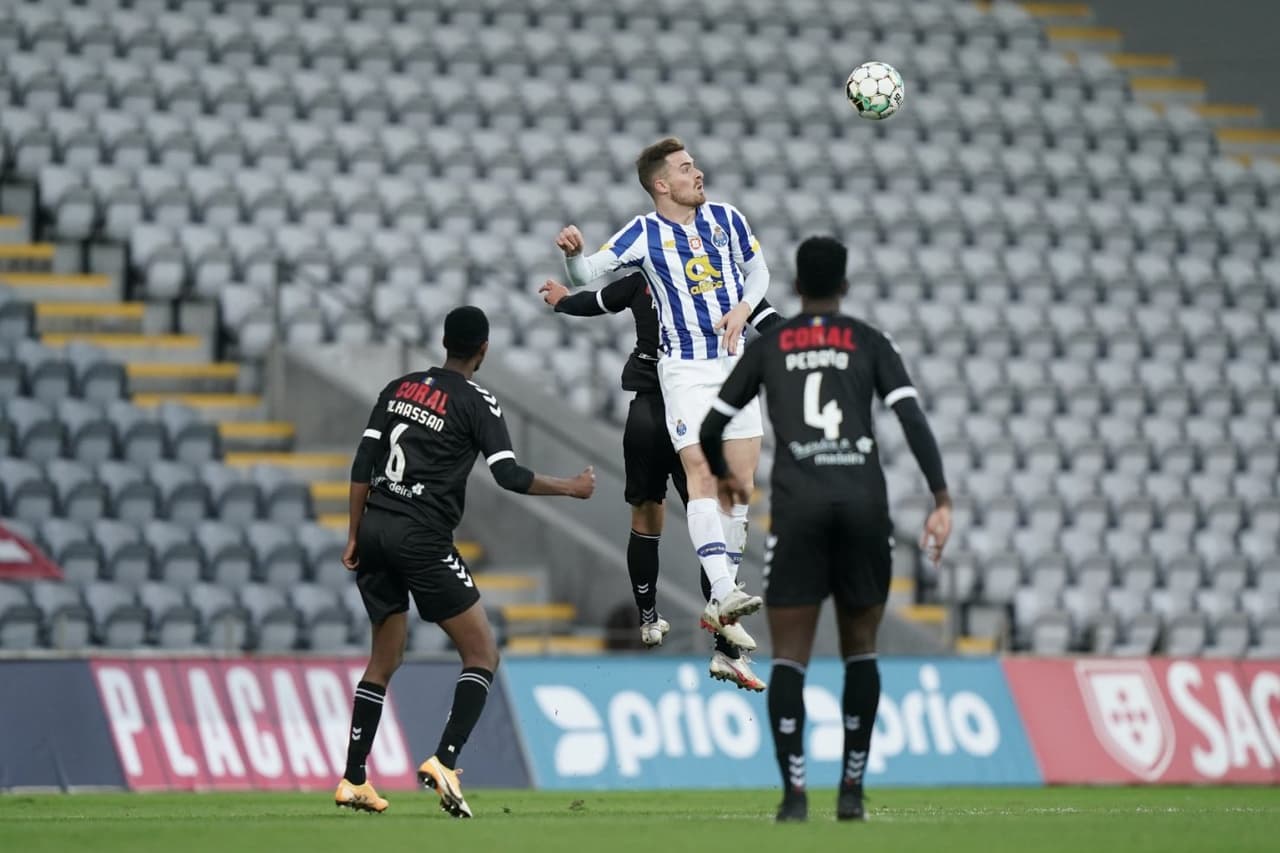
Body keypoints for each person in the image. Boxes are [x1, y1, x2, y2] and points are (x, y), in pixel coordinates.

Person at [699, 237, 952, 823]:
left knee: (791, 656)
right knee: (861, 649)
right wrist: (941, 496)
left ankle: (793, 796)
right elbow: (910, 416)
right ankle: (852, 793)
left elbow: (713, 425)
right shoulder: (868, 340)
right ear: (844, 283)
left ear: (795, 284)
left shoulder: (773, 346)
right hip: (864, 503)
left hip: (800, 507)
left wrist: (727, 481)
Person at [333, 306, 596, 818]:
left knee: (383, 659)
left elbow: (363, 462)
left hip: (375, 528)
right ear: (484, 350)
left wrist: (353, 534)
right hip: (421, 536)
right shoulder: (478, 402)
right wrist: (571, 487)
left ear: (444, 341)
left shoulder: (399, 387)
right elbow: (509, 476)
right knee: (482, 653)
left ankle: (353, 778)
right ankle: (445, 761)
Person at [556, 136, 770, 653]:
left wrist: (743, 308)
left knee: (737, 491)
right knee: (699, 476)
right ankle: (723, 594)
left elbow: (758, 271)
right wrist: (576, 256)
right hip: (684, 371)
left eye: (694, 165)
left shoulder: (728, 218)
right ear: (661, 184)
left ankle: (725, 631)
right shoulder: (642, 234)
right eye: (686, 168)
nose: (697, 174)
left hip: (735, 365)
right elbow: (587, 275)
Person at [538, 272, 784, 690]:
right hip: (696, 408)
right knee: (716, 520)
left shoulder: (643, 280)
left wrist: (563, 299)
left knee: (649, 516)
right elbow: (771, 323)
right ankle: (726, 644)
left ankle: (649, 617)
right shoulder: (718, 278)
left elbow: (596, 300)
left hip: (652, 410)